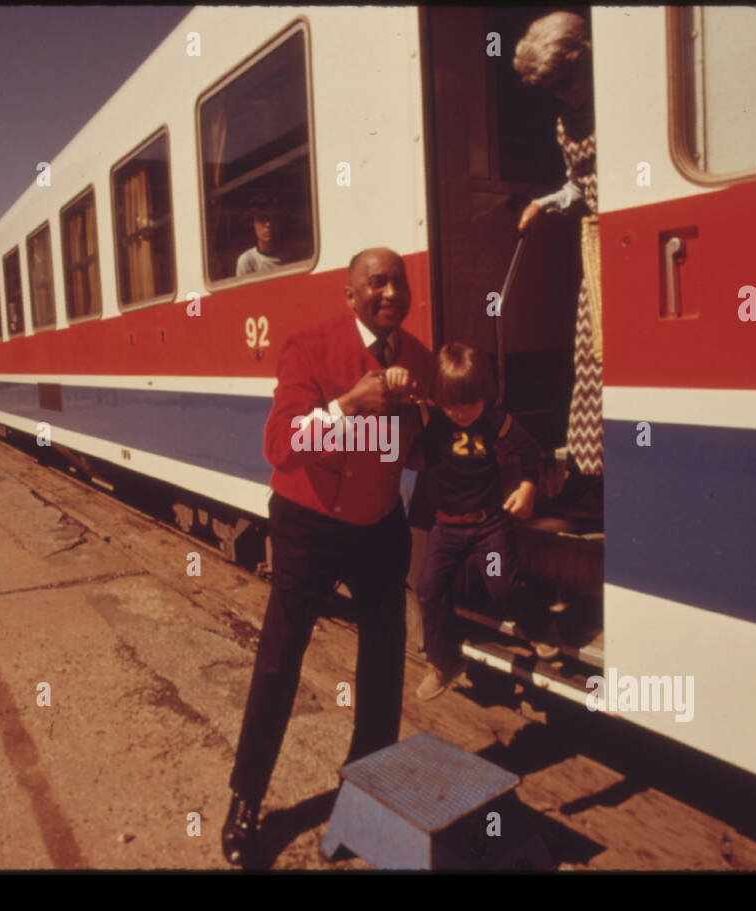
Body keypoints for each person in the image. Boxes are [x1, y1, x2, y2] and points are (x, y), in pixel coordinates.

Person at [222, 247, 435, 867]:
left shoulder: (417, 358)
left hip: (378, 526)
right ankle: (246, 803)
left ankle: (365, 803)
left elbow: (421, 448)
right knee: (278, 663)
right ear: (350, 295)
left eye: (399, 282)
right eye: (377, 283)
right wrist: (348, 405)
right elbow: (280, 445)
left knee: (382, 668)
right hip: (308, 524)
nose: (391, 292)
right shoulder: (310, 346)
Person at [386, 344, 544, 699]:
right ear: (437, 398)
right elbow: (391, 434)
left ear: (484, 396)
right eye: (451, 404)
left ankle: (541, 628)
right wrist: (397, 389)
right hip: (446, 527)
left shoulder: (494, 419)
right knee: (427, 590)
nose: (460, 413)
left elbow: (530, 449)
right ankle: (445, 663)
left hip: (489, 525)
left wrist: (528, 487)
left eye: (469, 403)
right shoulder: (428, 417)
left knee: (502, 586)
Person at [514, 11, 603, 510]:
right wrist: (544, 204)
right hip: (601, 248)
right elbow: (578, 186)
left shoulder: (617, 97)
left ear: (585, 55)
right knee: (593, 356)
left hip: (631, 233)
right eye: (554, 88)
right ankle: (597, 475)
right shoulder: (565, 122)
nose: (566, 93)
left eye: (567, 81)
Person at [236, 193, 286, 276]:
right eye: (261, 219)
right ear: (253, 224)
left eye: (272, 218)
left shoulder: (291, 256)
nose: (268, 224)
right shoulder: (247, 261)